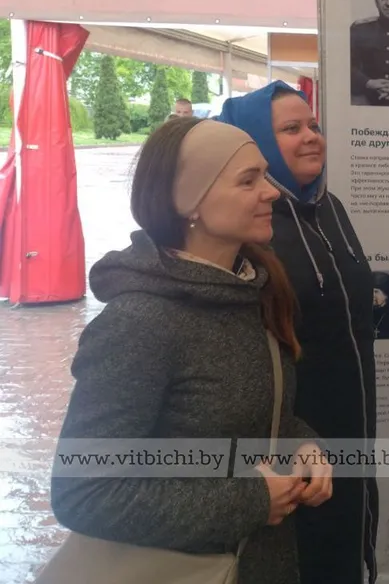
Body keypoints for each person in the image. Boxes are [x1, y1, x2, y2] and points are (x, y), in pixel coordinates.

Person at [49, 117, 333, 584]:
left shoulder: (252, 292)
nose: (272, 192)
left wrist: (303, 444)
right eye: (248, 180)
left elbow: (255, 417)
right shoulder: (139, 323)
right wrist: (251, 501)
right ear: (189, 203)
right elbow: (84, 492)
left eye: (265, 175)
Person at [217, 80, 379, 584]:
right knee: (303, 557)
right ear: (255, 142)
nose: (311, 136)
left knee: (347, 543)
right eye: (291, 128)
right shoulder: (250, 230)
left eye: (313, 124)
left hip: (352, 423)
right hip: (292, 439)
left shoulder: (330, 208)